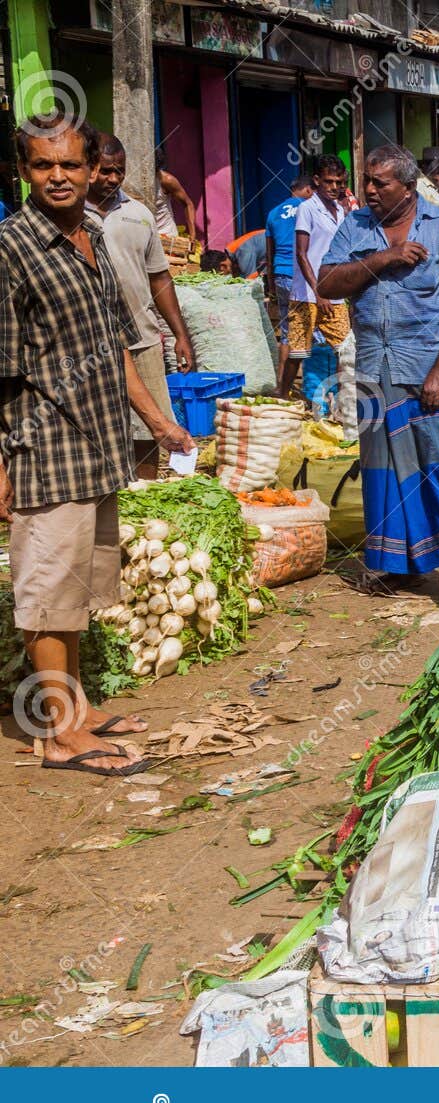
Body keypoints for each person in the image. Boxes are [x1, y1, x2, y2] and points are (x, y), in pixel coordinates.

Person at [0, 111, 195, 776]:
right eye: (43, 165)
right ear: (23, 172)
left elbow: (113, 348)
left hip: (97, 443)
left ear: (90, 171)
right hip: (41, 446)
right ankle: (58, 733)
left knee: (74, 593)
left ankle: (76, 712)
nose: (58, 177)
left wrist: (160, 423)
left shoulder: (91, 236)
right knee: (46, 592)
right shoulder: (11, 250)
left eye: (70, 165)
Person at [318, 145, 439, 609]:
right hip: (374, 368)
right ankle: (396, 567)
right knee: (384, 471)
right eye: (367, 181)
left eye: (380, 183)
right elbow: (327, 284)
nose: (369, 190)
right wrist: (384, 259)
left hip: (431, 368)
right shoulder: (355, 227)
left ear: (409, 188)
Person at [86, 134, 197, 479]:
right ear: (89, 168)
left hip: (143, 340)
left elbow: (159, 278)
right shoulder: (71, 214)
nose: (113, 179)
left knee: (150, 429)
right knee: (99, 431)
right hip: (90, 346)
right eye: (105, 171)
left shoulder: (139, 214)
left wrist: (180, 334)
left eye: (119, 171)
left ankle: (143, 493)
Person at [277, 153, 354, 400]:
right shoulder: (307, 209)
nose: (334, 187)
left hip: (335, 295)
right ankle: (283, 395)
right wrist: (318, 291)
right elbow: (302, 254)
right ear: (317, 180)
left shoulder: (341, 211)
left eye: (339, 182)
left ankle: (345, 400)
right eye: (330, 182)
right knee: (298, 353)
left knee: (345, 350)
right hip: (306, 294)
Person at [264, 174, 313, 370]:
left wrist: (271, 285)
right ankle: (314, 388)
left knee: (286, 333)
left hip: (280, 275)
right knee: (312, 330)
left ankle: (281, 386)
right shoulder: (309, 209)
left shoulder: (273, 213)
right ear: (309, 190)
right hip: (303, 276)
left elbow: (269, 254)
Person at [152, 146, 201, 244]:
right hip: (143, 236)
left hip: (166, 235)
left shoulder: (167, 180)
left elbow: (188, 204)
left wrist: (192, 235)